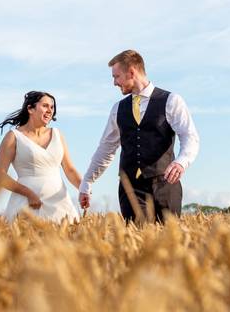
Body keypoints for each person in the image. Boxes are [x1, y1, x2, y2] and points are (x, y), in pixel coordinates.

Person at [78, 50, 200, 223]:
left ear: (132, 72)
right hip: (131, 189)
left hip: (165, 185)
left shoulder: (171, 101)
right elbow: (106, 149)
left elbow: (190, 137)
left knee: (168, 245)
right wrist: (87, 181)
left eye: (117, 76)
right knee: (137, 243)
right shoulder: (117, 109)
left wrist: (181, 161)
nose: (114, 83)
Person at [0, 90, 82, 223]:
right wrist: (28, 194)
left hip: (59, 204)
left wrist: (84, 189)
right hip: (27, 204)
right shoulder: (13, 137)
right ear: (30, 109)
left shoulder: (57, 134)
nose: (50, 110)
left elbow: (69, 169)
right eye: (45, 106)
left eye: (52, 107)